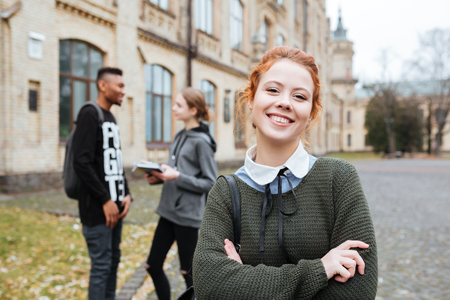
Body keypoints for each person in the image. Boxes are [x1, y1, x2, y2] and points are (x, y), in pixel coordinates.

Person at [192, 47, 378, 299]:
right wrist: (320, 270)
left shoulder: (338, 179)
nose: (284, 102)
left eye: (300, 97)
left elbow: (358, 292)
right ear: (252, 99)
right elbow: (210, 286)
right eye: (272, 90)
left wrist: (243, 280)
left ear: (311, 112)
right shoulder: (226, 191)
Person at [144, 87, 218, 300]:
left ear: (193, 110)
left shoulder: (202, 143)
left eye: (179, 105)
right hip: (167, 211)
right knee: (153, 265)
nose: (173, 108)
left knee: (189, 274)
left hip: (187, 217)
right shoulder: (179, 135)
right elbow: (173, 171)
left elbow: (210, 182)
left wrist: (177, 177)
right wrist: (157, 177)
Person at [73, 67, 132, 300]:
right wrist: (105, 199)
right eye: (119, 86)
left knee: (112, 262)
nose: (123, 91)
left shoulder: (111, 118)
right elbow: (81, 163)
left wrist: (126, 194)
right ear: (102, 85)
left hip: (116, 208)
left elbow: (114, 162)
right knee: (101, 266)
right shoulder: (90, 113)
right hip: (97, 210)